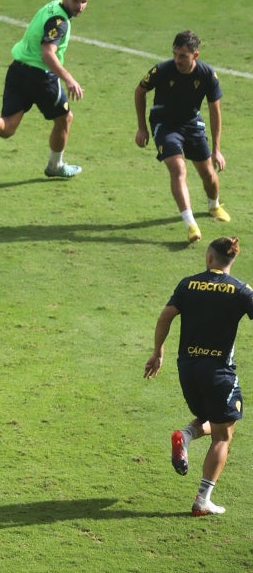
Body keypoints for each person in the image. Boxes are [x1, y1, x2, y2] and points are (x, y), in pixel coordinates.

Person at [145, 234, 252, 516]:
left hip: (187, 370)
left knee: (212, 418)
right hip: (219, 373)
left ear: (208, 258)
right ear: (232, 259)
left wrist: (157, 352)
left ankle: (186, 433)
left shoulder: (188, 284)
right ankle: (202, 499)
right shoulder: (241, 290)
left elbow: (165, 316)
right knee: (223, 435)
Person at [0, 0, 90, 178]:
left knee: (8, 128)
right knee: (65, 118)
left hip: (17, 71)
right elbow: (47, 53)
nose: (79, 6)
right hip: (40, 78)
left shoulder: (52, 6)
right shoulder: (59, 22)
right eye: (76, 0)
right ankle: (55, 166)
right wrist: (69, 79)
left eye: (84, 1)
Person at [135, 32, 231, 244]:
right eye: (175, 54)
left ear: (195, 55)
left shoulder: (207, 75)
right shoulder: (162, 70)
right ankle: (190, 224)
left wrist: (216, 149)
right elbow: (139, 91)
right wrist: (142, 128)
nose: (178, 59)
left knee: (208, 174)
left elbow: (215, 111)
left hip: (191, 123)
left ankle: (214, 205)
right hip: (164, 124)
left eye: (183, 56)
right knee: (178, 169)